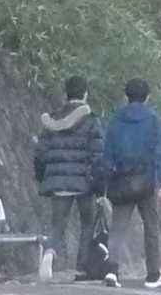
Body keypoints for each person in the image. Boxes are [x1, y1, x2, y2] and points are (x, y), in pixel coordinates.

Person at [102, 77, 161, 288]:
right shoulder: (154, 120)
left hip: (121, 181)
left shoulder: (116, 119)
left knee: (117, 229)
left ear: (126, 96)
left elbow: (108, 154)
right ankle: (153, 275)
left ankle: (112, 271)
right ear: (147, 97)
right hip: (146, 181)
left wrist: (105, 182)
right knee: (151, 227)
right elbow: (159, 153)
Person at [33, 75, 104, 277]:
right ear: (85, 95)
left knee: (58, 224)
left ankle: (49, 253)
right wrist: (100, 185)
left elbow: (40, 154)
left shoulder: (52, 121)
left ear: (66, 95)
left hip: (57, 181)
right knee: (87, 222)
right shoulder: (91, 121)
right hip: (84, 183)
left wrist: (42, 177)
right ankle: (82, 267)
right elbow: (97, 155)